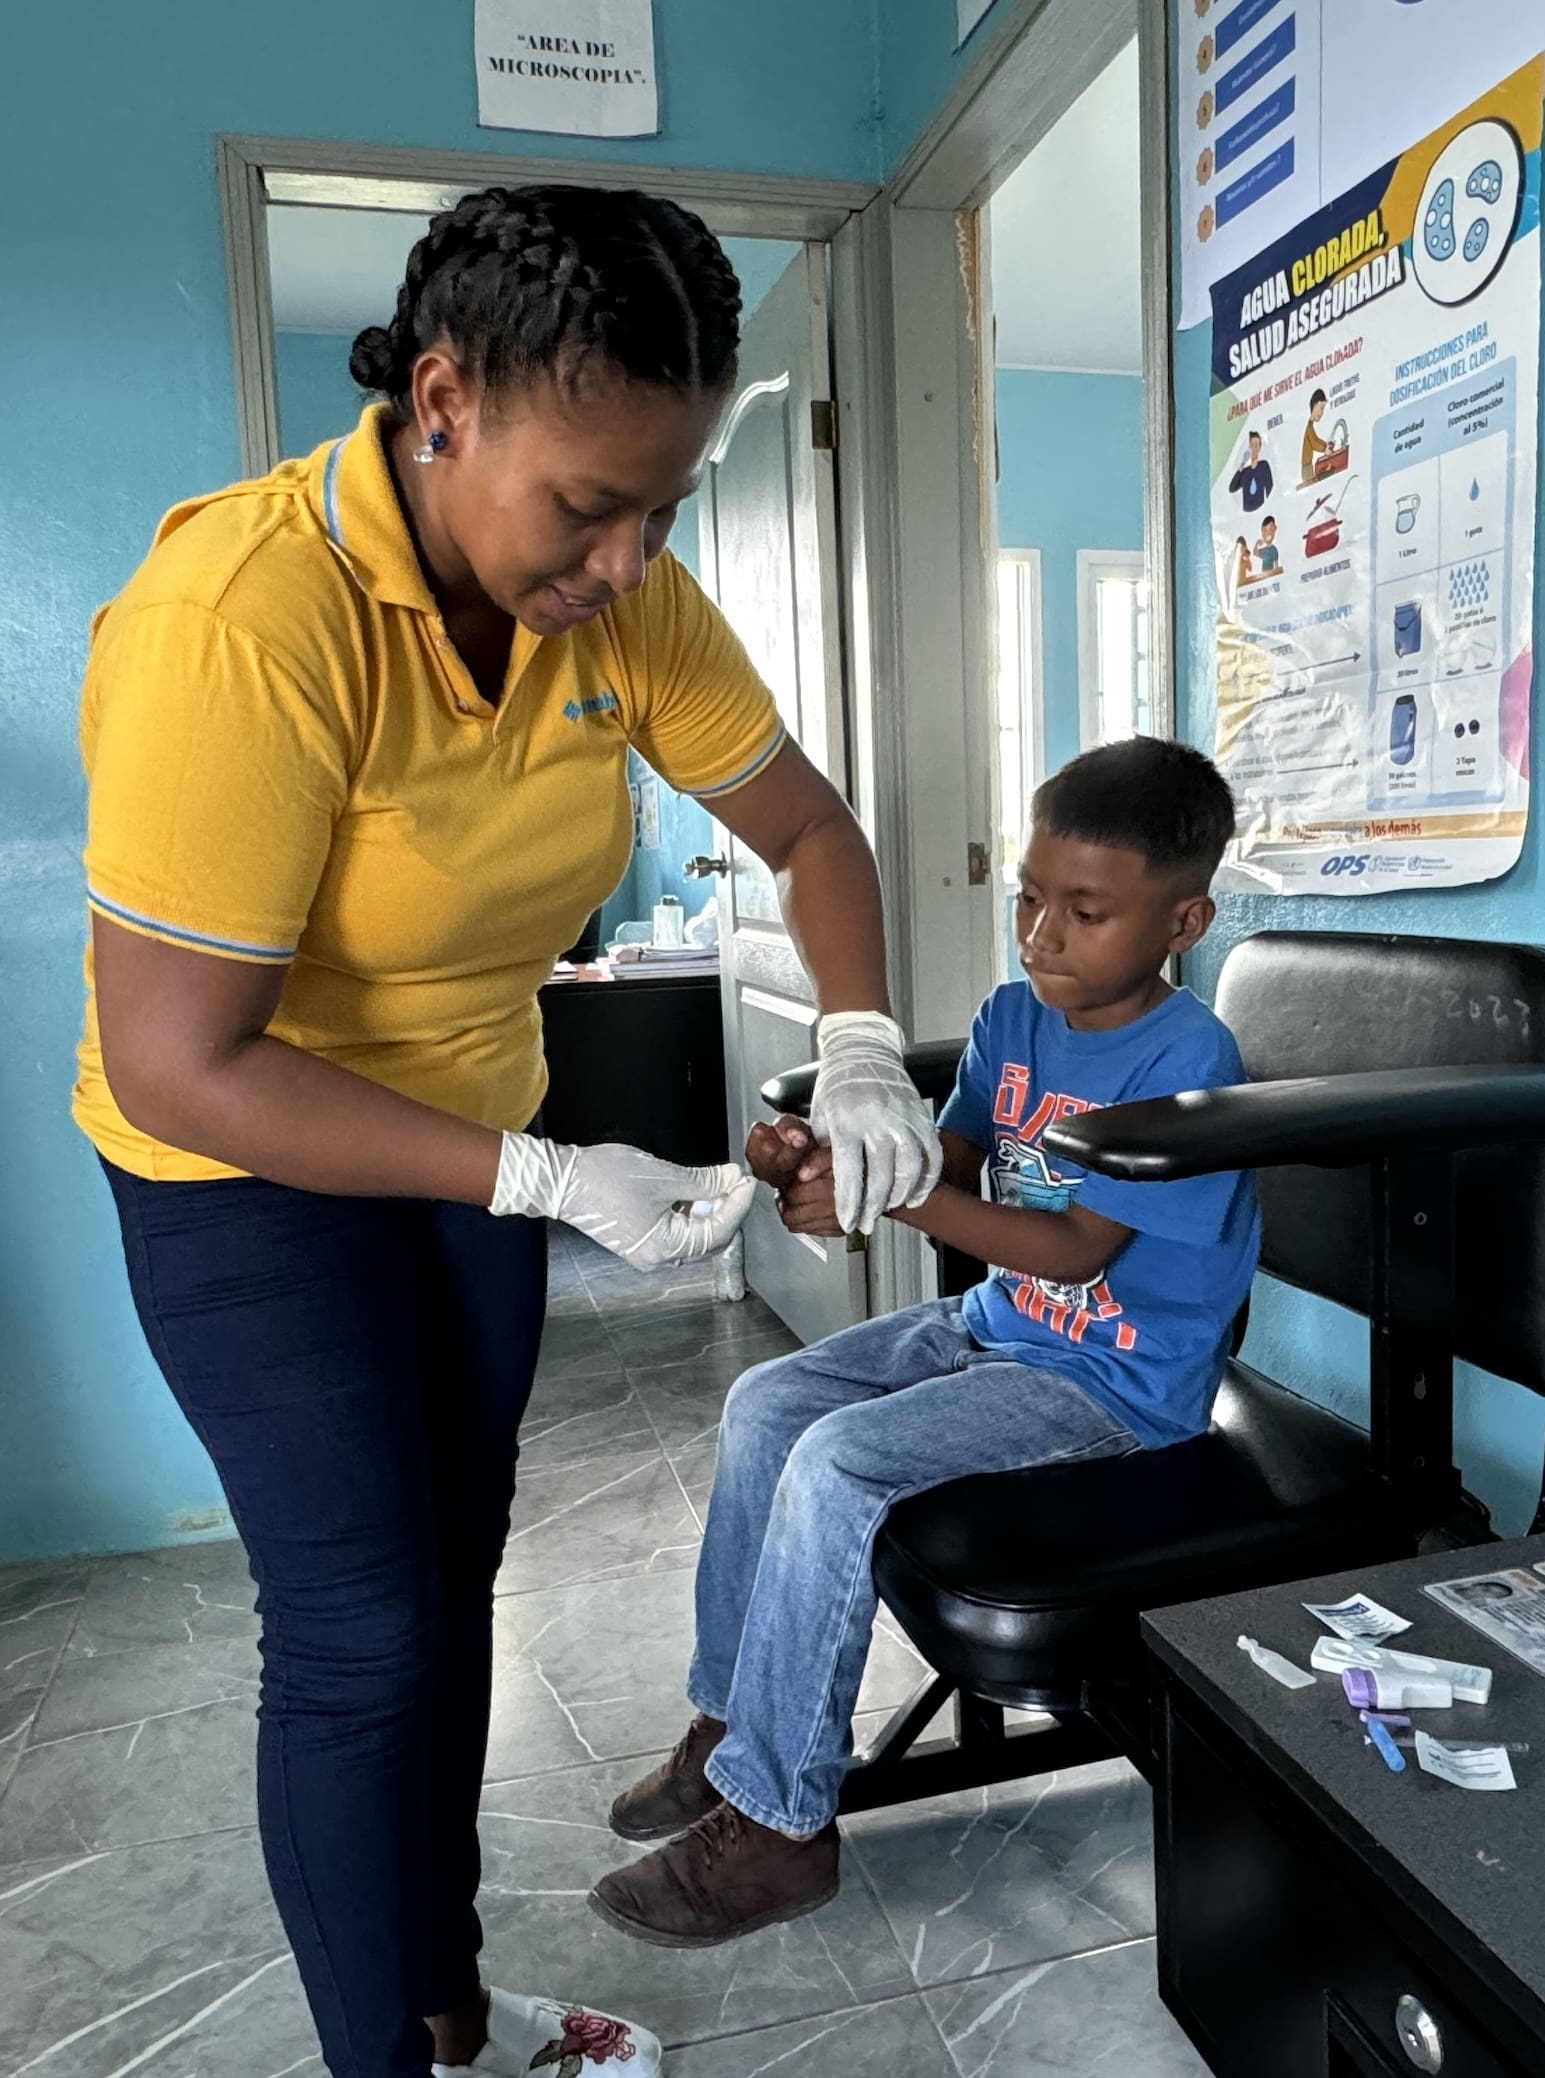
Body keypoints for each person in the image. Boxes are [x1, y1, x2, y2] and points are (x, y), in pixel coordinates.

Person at [72, 184, 941, 2078]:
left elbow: (809, 829)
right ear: (443, 401)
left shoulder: (621, 604)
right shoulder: (247, 619)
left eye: (666, 510)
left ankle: (451, 2011)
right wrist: (547, 1177)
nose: (626, 561)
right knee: (358, 1631)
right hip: (241, 1168)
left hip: (463, 1133)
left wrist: (865, 1042)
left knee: (452, 1578)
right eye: (587, 507)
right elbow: (178, 1064)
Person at [590, 738, 1261, 1947]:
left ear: (1182, 920)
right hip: (997, 1324)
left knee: (839, 1459)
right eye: (1029, 896)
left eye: (1085, 911)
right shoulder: (1013, 1014)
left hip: (1113, 1381)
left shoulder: (1188, 1055)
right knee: (766, 1403)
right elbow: (953, 1152)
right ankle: (734, 1725)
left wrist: (896, 1201)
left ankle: (780, 1824)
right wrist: (842, 1156)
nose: (1041, 933)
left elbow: (1075, 1249)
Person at [1229, 429, 1273, 512]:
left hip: (1261, 509)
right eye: (1252, 444)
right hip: (1246, 510)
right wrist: (1242, 464)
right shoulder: (1245, 471)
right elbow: (1232, 488)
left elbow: (1270, 487)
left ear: (1260, 446)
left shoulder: (1263, 466)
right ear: (1249, 446)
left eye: (1256, 444)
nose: (1254, 447)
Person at [1301, 388, 1331, 481]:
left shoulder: (1310, 426)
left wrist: (1326, 445)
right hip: (1307, 468)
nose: (1322, 413)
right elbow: (1314, 442)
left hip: (1308, 466)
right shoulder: (1309, 427)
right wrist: (1325, 448)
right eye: (1321, 408)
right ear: (1314, 405)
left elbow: (1316, 439)